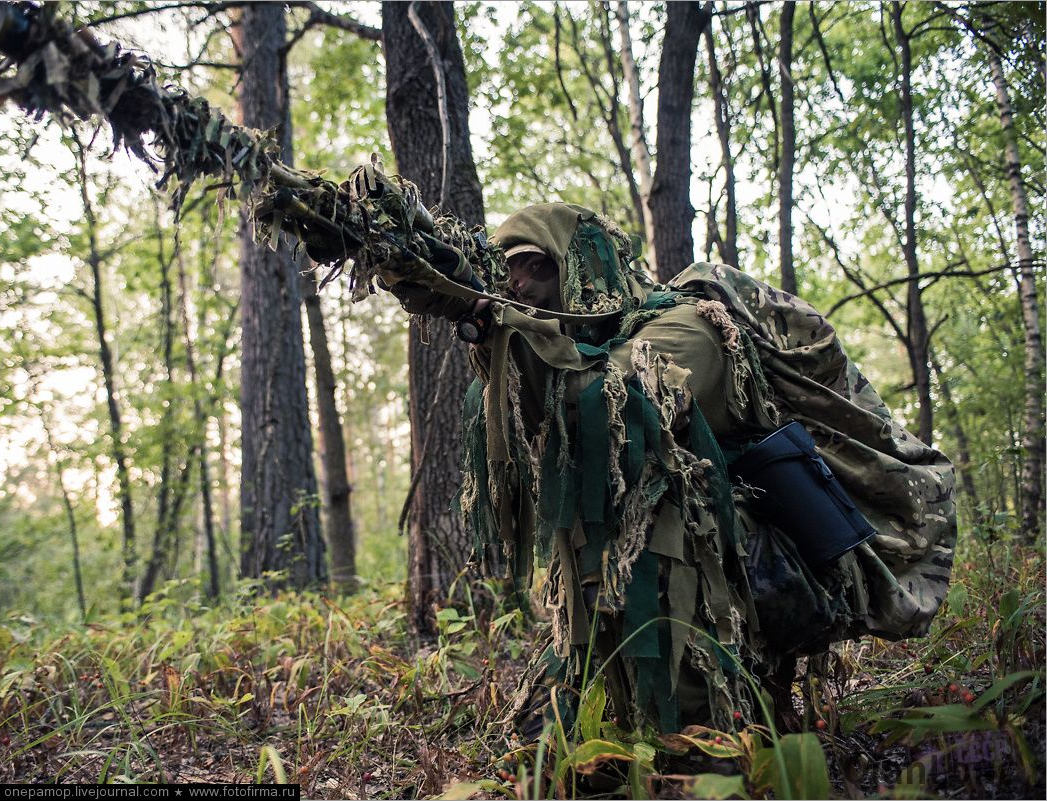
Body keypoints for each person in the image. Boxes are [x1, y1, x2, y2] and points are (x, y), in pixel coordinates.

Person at [394, 202, 956, 735]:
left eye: (534, 268)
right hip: (636, 578)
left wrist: (495, 320)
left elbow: (603, 406)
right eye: (507, 275)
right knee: (542, 741)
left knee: (662, 522)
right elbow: (538, 434)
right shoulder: (589, 342)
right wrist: (475, 316)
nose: (517, 289)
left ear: (586, 267)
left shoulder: (690, 326)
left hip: (746, 568)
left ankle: (704, 738)